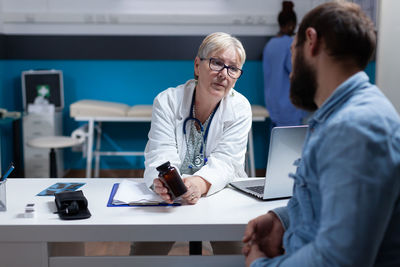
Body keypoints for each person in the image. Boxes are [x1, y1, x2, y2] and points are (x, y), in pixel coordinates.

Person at [243, 2, 400, 267]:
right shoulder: (340, 118)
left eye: (293, 53)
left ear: (311, 41)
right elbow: (332, 205)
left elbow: (337, 260)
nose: (291, 74)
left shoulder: (354, 128)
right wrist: (284, 219)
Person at [132, 32, 252, 255]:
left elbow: (227, 162)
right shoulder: (168, 101)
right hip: (171, 198)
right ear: (198, 65)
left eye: (233, 68)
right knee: (143, 254)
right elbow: (160, 153)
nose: (223, 74)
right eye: (216, 63)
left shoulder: (240, 108)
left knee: (238, 253)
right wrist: (165, 183)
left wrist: (199, 183)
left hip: (219, 191)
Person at [263, 1, 307, 126]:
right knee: (292, 144)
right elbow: (297, 72)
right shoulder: (290, 44)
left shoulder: (269, 45)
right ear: (292, 25)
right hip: (289, 107)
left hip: (272, 106)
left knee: (276, 142)